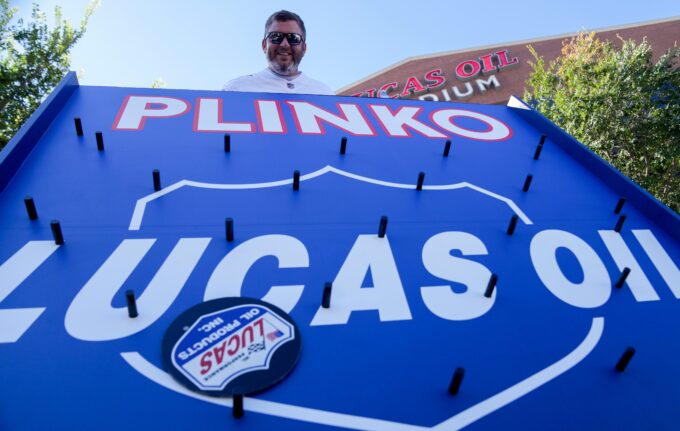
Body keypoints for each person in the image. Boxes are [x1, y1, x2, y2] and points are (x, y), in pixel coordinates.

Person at [222, 10, 334, 95]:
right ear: (264, 45)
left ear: (304, 48)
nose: (284, 44)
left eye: (293, 38)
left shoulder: (324, 93)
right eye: (276, 36)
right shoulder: (236, 89)